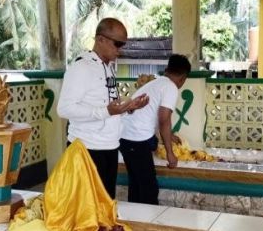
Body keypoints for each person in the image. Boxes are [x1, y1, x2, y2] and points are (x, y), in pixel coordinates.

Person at [57, 17, 149, 199]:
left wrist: (129, 107)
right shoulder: (81, 67)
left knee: (106, 202)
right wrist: (106, 111)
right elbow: (64, 109)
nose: (120, 50)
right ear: (101, 40)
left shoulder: (108, 68)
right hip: (88, 149)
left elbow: (107, 104)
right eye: (117, 44)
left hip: (109, 145)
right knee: (89, 208)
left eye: (123, 44)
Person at [119, 54, 192, 205]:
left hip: (124, 137)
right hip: (136, 139)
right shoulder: (171, 87)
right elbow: (164, 119)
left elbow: (155, 116)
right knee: (148, 189)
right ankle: (148, 223)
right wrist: (170, 154)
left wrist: (169, 135)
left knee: (136, 183)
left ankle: (135, 221)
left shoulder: (155, 84)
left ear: (167, 70)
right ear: (183, 78)